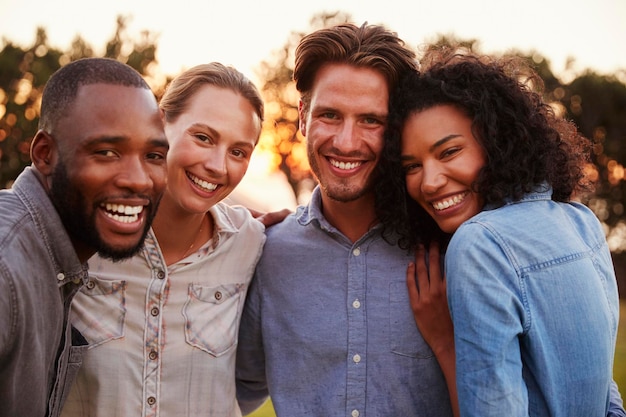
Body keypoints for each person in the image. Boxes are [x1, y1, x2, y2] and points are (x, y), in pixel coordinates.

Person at [376, 50, 625, 416]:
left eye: (449, 152)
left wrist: (445, 342)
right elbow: (609, 399)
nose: (428, 183)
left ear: (497, 142)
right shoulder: (581, 221)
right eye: (412, 166)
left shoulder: (479, 242)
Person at [235, 23, 456, 416]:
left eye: (371, 120)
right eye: (330, 115)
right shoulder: (266, 253)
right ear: (303, 116)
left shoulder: (449, 248)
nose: (346, 142)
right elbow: (224, 390)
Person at [61, 62, 268, 417]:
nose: (218, 166)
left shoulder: (250, 244)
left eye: (238, 152)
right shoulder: (81, 232)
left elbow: (251, 381)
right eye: (203, 137)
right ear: (159, 125)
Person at [0, 57, 168, 417]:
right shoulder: (7, 267)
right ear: (46, 154)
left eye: (154, 155)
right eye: (106, 152)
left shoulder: (56, 259)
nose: (139, 180)